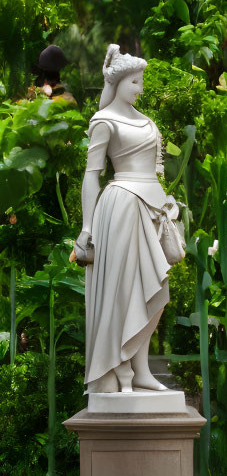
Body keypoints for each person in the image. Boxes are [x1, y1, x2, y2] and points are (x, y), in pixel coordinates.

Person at [73, 45, 183, 393]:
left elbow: (156, 171)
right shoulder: (104, 121)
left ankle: (140, 368)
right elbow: (92, 175)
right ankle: (119, 369)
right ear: (118, 82)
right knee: (123, 291)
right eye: (135, 81)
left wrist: (167, 204)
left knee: (155, 288)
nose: (140, 87)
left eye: (141, 81)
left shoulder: (148, 123)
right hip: (120, 207)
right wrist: (87, 227)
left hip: (152, 208)